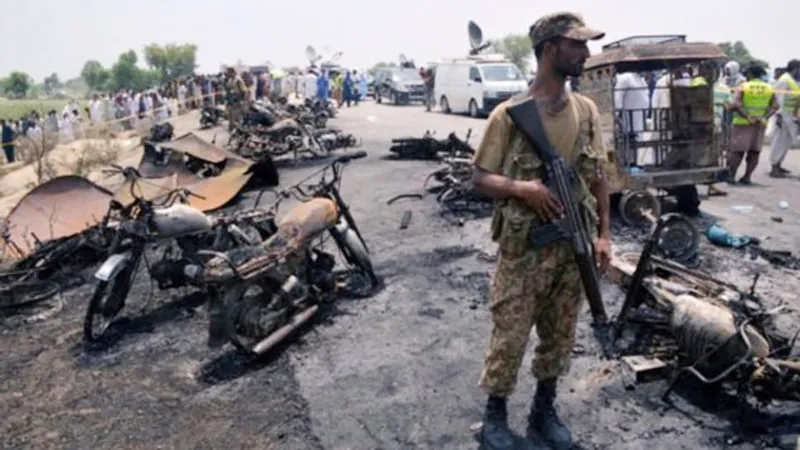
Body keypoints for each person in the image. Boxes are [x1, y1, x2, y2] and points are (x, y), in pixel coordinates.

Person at [471, 12, 611, 450]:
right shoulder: (509, 115)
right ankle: (494, 416)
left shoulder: (586, 111)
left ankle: (543, 410)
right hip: (525, 248)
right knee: (510, 333)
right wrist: (523, 189)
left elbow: (599, 176)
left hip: (573, 247)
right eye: (577, 45)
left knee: (560, 333)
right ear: (550, 49)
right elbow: (479, 178)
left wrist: (604, 236)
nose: (586, 53)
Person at [728, 64, 779, 184]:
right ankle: (747, 177)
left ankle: (731, 177)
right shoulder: (769, 87)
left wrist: (747, 116)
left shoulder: (744, 86)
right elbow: (775, 106)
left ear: (750, 74)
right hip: (759, 124)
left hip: (742, 123)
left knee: (737, 151)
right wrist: (764, 117)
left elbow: (736, 104)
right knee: (754, 151)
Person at [768, 59, 800, 177]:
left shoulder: (792, 80)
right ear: (795, 69)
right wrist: (779, 114)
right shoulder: (784, 80)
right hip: (783, 115)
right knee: (779, 141)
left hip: (790, 115)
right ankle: (774, 167)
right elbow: (778, 98)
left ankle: (779, 164)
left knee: (786, 142)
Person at [224, 67, 248, 132]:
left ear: (232, 72)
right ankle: (231, 130)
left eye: (228, 72)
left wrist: (242, 101)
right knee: (230, 118)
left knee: (236, 119)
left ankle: (236, 132)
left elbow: (244, 91)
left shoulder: (238, 80)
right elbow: (228, 90)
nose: (227, 74)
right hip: (230, 102)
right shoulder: (230, 80)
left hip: (237, 102)